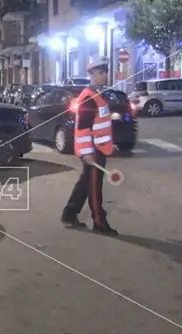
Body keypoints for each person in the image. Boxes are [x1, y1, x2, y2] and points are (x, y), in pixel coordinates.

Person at [61, 56, 118, 237]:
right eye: (101, 72)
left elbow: (100, 125)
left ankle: (69, 214)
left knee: (85, 183)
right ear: (92, 73)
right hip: (93, 151)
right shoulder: (88, 98)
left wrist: (110, 143)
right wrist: (87, 153)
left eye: (105, 72)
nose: (104, 75)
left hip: (99, 148)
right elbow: (82, 129)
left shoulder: (98, 95)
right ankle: (99, 222)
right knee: (94, 188)